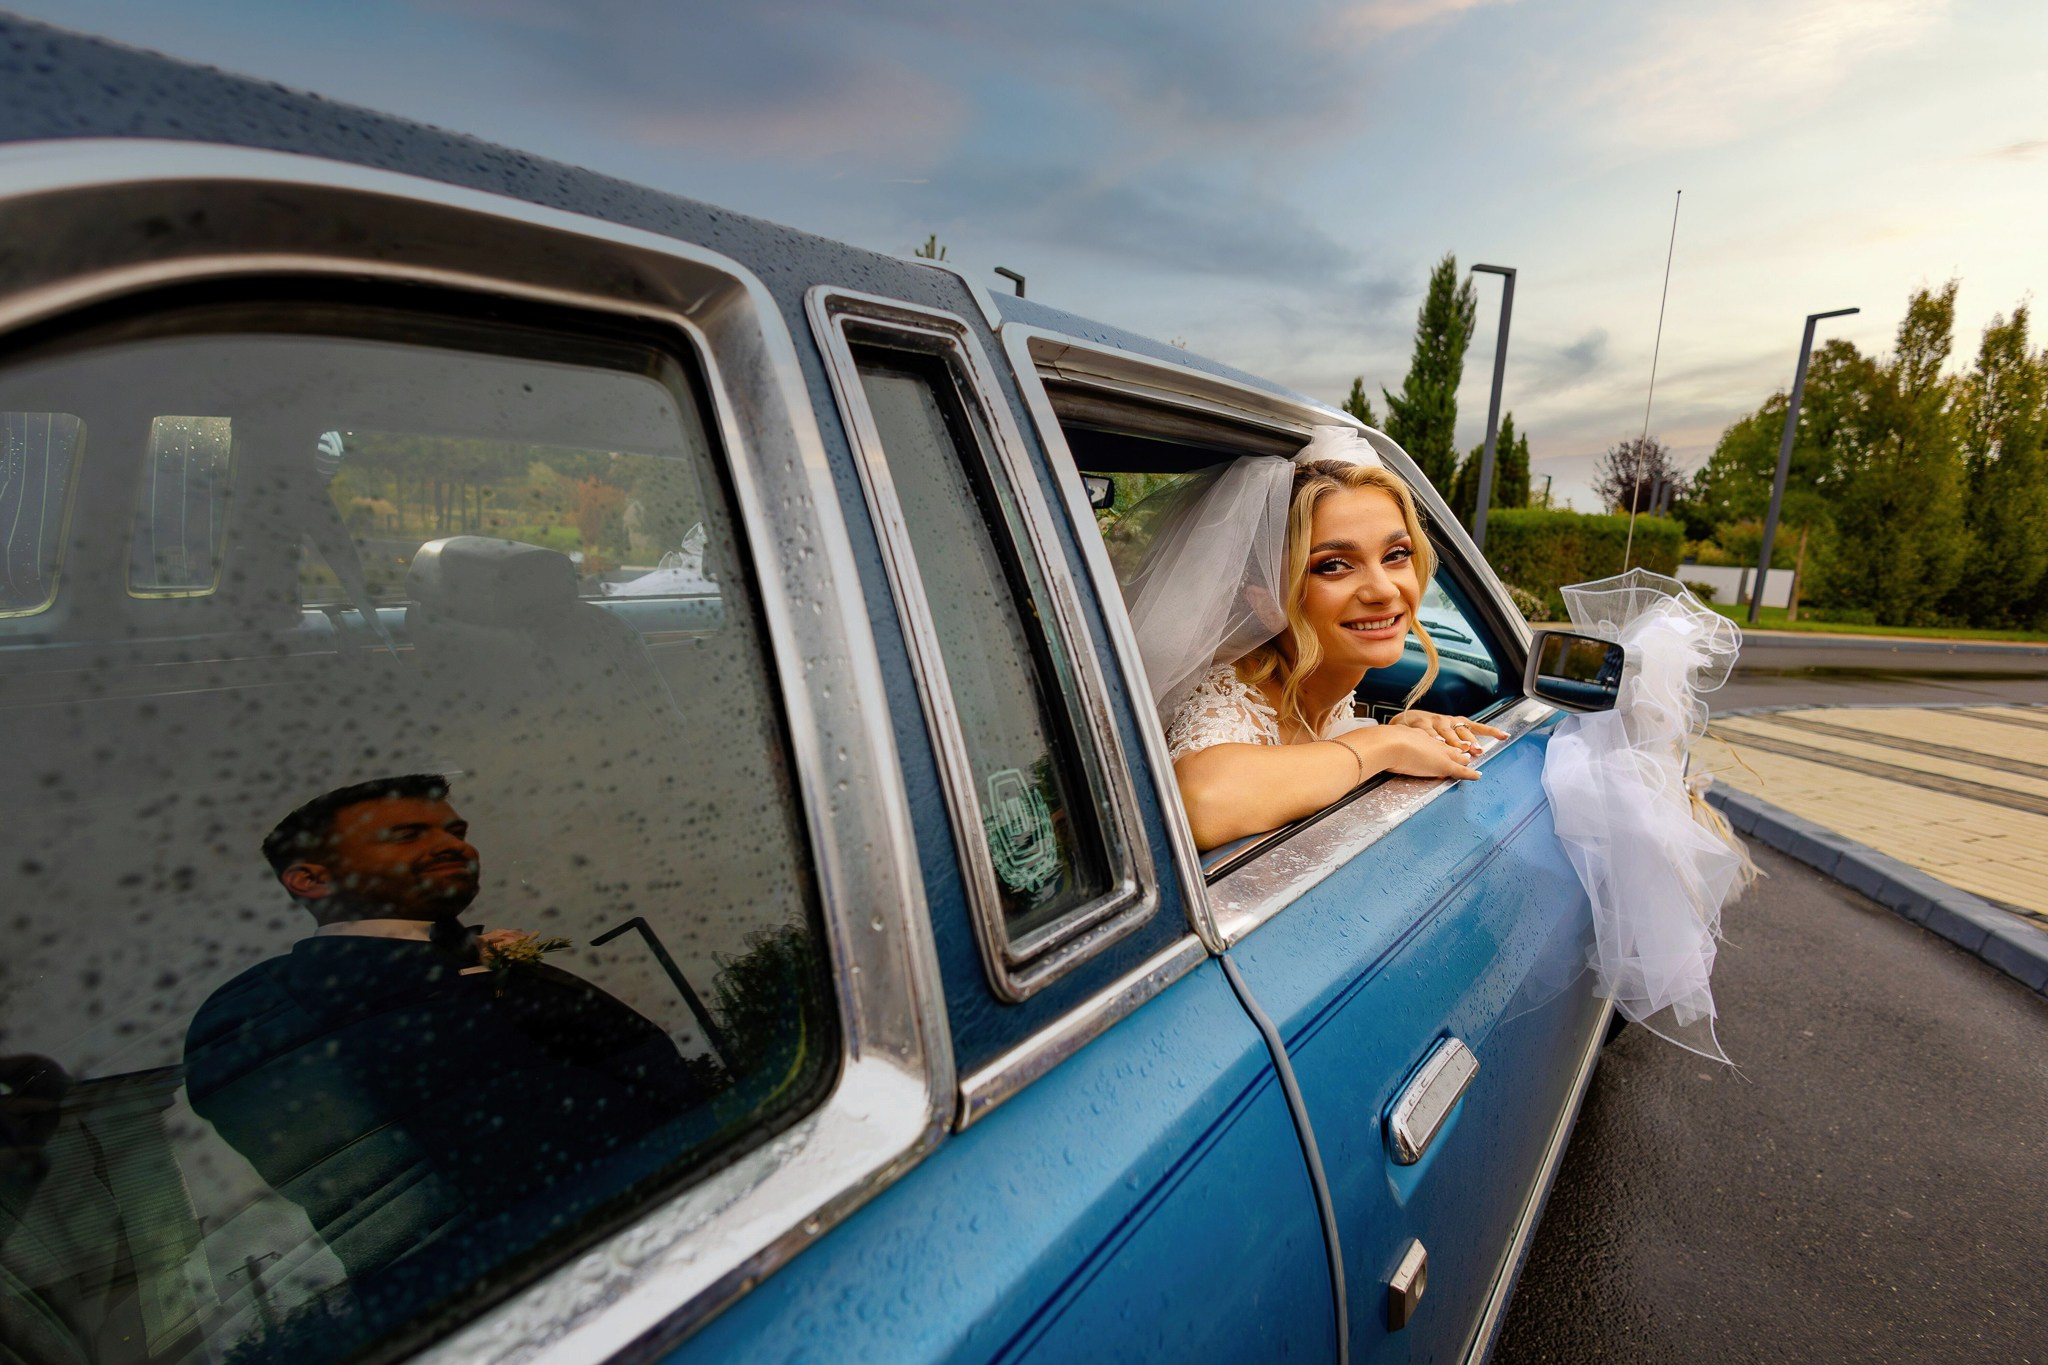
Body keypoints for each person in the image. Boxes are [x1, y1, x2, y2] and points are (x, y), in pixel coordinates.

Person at [181, 776, 708, 1309]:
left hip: (690, 1223)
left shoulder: (475, 957)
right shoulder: (266, 1008)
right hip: (522, 1292)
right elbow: (382, 1194)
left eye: (456, 830)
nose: (453, 845)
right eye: (407, 834)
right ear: (311, 879)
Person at [1121, 426, 1507, 850]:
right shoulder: (1226, 701)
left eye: (1396, 555)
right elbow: (1201, 802)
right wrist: (1381, 743)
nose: (1383, 590)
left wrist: (1401, 730)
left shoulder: (1322, 683)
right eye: (1334, 565)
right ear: (1266, 600)